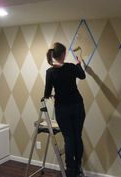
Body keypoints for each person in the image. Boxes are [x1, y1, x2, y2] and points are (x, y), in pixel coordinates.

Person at [44, 42, 86, 177]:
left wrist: (51, 94)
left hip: (62, 109)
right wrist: (78, 63)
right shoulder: (71, 67)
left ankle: (70, 170)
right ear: (63, 54)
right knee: (77, 137)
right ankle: (78, 166)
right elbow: (82, 75)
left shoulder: (50, 72)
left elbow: (47, 92)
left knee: (69, 139)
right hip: (77, 106)